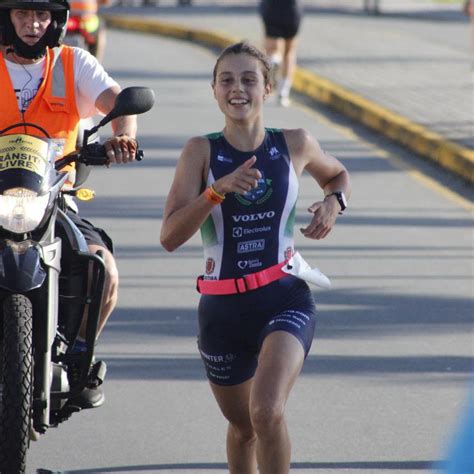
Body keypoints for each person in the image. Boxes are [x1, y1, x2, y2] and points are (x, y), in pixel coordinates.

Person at [160, 42, 351, 474]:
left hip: (284, 297)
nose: (237, 89)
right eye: (227, 79)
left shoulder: (294, 144)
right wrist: (216, 191)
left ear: (268, 88)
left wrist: (333, 204)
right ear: (214, 90)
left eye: (249, 79)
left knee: (266, 412)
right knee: (243, 427)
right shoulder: (200, 153)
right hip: (222, 310)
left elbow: (337, 175)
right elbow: (170, 236)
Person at [0, 0, 139, 408]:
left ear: (56, 20)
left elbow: (117, 101)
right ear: (6, 17)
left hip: (54, 199)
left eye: (41, 15)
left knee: (104, 269)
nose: (32, 23)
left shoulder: (73, 63)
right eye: (22, 13)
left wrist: (123, 137)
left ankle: (79, 354)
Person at [259, 0, 302, 107]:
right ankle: (283, 93)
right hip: (292, 9)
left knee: (271, 48)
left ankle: (274, 60)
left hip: (272, 8)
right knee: (289, 52)